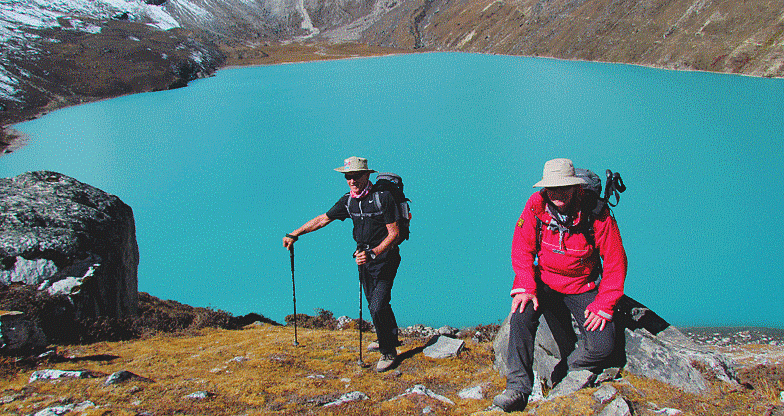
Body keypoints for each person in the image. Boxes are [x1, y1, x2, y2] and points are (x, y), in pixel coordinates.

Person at [493, 158, 628, 412]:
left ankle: (567, 370)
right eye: (551, 188)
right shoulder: (536, 206)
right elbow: (521, 248)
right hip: (544, 281)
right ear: (545, 189)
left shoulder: (596, 213)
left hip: (582, 285)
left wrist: (604, 303)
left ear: (576, 187)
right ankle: (517, 389)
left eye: (563, 187)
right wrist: (525, 285)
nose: (557, 193)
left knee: (603, 345)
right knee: (520, 314)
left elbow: (615, 262)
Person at [282, 156, 403, 372]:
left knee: (377, 305)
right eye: (348, 177)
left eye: (356, 176)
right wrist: (295, 233)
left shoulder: (383, 198)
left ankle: (388, 352)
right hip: (363, 260)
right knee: (375, 303)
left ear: (367, 175)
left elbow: (394, 234)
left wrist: (373, 253)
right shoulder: (349, 200)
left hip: (385, 259)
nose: (352, 181)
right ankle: (390, 336)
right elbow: (323, 219)